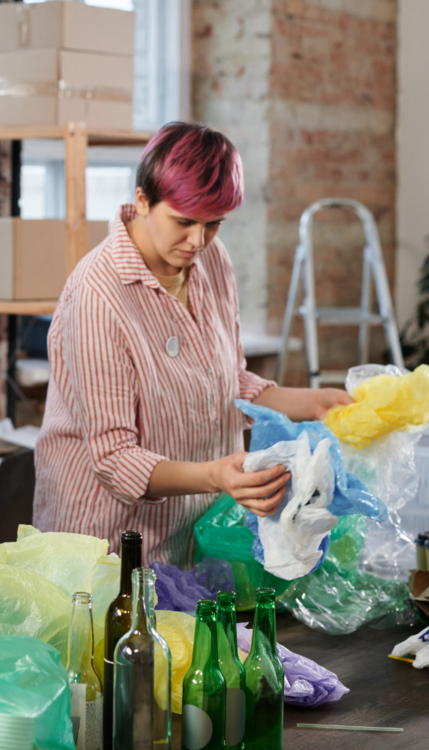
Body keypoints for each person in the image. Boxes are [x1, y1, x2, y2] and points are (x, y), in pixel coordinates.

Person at [34, 122, 353, 566]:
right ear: (142, 200)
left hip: (192, 533)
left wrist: (317, 403)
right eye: (183, 222)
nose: (197, 241)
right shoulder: (98, 294)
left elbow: (228, 381)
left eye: (214, 224)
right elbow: (115, 460)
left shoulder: (211, 261)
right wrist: (215, 476)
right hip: (107, 545)